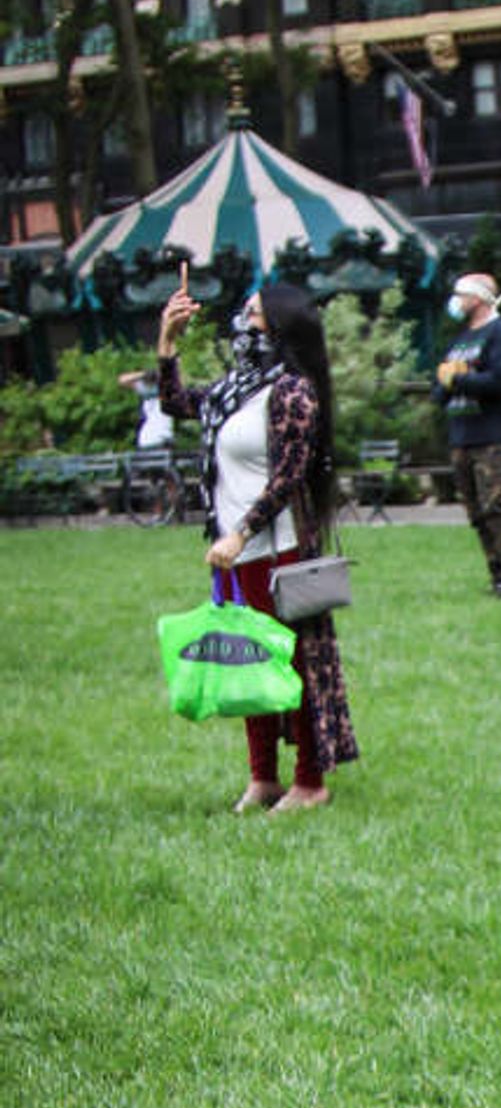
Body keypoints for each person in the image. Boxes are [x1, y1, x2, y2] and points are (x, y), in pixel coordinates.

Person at [157, 280, 358, 813]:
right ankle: (262, 778)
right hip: (237, 552)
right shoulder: (235, 389)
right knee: (251, 663)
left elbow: (289, 477)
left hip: (280, 551)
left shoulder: (293, 390)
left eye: (253, 314)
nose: (241, 324)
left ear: (280, 326)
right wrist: (168, 343)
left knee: (293, 668)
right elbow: (177, 402)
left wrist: (240, 531)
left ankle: (310, 782)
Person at [435, 272, 501, 596]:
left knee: (498, 508)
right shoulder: (460, 340)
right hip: (462, 435)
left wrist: (459, 379)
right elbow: (441, 389)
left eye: (461, 294)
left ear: (477, 298)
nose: (456, 301)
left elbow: (500, 379)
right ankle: (497, 575)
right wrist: (447, 383)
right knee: (476, 513)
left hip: (496, 436)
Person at [119, 368, 175, 450]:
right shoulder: (148, 393)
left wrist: (156, 374)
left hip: (157, 439)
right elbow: (122, 380)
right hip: (151, 439)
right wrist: (143, 374)